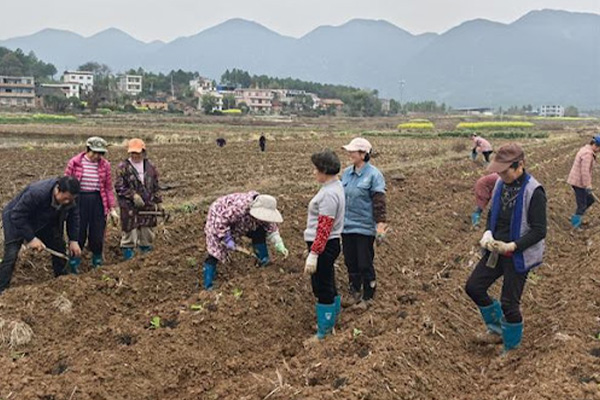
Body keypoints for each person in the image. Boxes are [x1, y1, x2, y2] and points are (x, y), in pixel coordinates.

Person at [465, 143, 547, 354]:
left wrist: (513, 245)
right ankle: (497, 330)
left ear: (520, 165)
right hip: (496, 249)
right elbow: (493, 213)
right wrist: (487, 232)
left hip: (518, 254)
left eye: (505, 171)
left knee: (509, 304)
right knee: (474, 287)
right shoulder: (501, 185)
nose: (501, 175)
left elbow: (539, 230)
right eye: (499, 171)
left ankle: (511, 350)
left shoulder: (534, 191)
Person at [0, 176, 82, 294]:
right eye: (65, 198)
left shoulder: (72, 198)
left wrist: (73, 240)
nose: (67, 202)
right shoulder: (37, 193)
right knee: (11, 255)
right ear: (57, 190)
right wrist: (31, 238)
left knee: (58, 247)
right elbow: (17, 215)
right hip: (16, 219)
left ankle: (62, 280)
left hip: (44, 219)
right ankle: (2, 289)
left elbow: (74, 217)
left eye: (71, 199)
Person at [202, 192, 289, 290]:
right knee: (216, 249)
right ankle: (208, 285)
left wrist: (278, 242)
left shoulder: (265, 206)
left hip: (244, 221)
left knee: (259, 231)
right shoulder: (239, 208)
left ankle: (263, 261)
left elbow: (270, 226)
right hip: (219, 217)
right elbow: (221, 222)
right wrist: (227, 239)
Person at [303, 149, 345, 342]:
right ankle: (332, 319)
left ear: (325, 171)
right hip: (330, 243)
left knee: (322, 286)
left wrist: (314, 253)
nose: (314, 172)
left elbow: (324, 227)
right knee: (328, 280)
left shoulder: (329, 194)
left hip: (324, 245)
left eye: (316, 169)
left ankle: (324, 332)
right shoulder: (335, 186)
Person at [340, 137, 387, 310]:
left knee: (364, 262)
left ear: (363, 154)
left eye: (353, 151)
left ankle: (368, 296)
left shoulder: (374, 175)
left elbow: (379, 203)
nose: (350, 154)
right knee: (350, 261)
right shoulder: (346, 173)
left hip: (364, 227)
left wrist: (380, 225)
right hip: (346, 226)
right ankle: (354, 291)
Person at [64, 136, 119, 272]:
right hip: (79, 200)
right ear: (88, 150)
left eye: (100, 153)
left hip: (97, 201)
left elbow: (107, 188)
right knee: (78, 233)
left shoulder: (105, 165)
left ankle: (97, 262)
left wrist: (112, 208)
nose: (97, 156)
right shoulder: (75, 163)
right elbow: (66, 183)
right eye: (94, 153)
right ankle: (74, 263)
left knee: (97, 234)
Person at [114, 138, 162, 260]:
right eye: (133, 153)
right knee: (130, 235)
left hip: (147, 205)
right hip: (129, 207)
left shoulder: (150, 167)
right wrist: (133, 195)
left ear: (143, 152)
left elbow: (156, 185)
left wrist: (158, 202)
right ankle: (128, 260)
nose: (135, 155)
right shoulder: (123, 167)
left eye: (137, 153)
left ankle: (145, 259)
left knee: (147, 235)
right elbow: (119, 187)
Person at [566, 135, 600, 228]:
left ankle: (576, 216)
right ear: (596, 146)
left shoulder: (585, 149)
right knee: (582, 205)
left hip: (579, 181)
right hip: (578, 183)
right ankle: (575, 225)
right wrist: (587, 185)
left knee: (590, 200)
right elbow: (584, 172)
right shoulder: (588, 155)